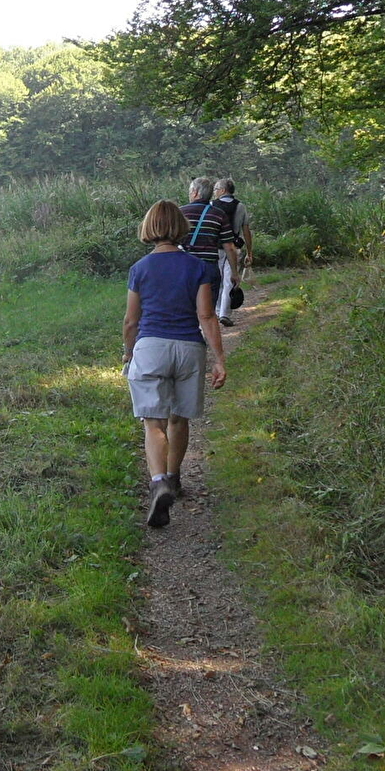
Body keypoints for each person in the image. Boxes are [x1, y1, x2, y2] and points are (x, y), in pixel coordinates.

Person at [122, 199, 228, 528]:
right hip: (188, 350)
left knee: (153, 423)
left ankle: (158, 483)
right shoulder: (198, 267)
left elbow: (131, 321)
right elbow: (207, 315)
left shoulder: (139, 269)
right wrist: (219, 359)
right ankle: (174, 476)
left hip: (151, 347)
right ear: (181, 227)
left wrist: (128, 353)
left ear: (148, 228)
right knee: (179, 420)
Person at [179, 178, 241, 328]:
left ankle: (188, 335)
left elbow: (171, 242)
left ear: (195, 193)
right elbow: (229, 247)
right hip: (209, 269)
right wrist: (234, 272)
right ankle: (202, 338)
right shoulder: (219, 215)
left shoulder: (180, 213)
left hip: (184, 268)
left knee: (185, 307)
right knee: (208, 311)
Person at [213, 178, 254, 326]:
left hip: (215, 248)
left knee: (216, 280)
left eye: (216, 189)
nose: (215, 192)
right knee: (230, 280)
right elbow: (246, 231)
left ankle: (217, 311)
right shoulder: (240, 206)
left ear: (223, 190)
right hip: (234, 247)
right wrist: (250, 252)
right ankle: (224, 313)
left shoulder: (212, 206)